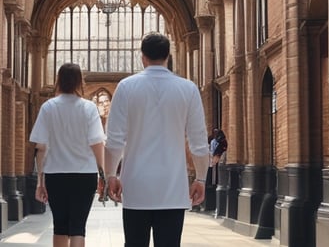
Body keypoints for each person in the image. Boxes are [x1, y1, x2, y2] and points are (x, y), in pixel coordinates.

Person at [104, 32, 209, 247]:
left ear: (142, 57)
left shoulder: (125, 87)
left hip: (135, 186)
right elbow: (198, 141)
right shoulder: (188, 88)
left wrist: (110, 174)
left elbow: (114, 139)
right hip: (172, 187)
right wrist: (201, 178)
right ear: (168, 56)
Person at [29, 63, 105, 247]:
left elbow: (40, 147)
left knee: (60, 227)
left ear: (58, 81)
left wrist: (40, 180)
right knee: (78, 227)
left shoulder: (48, 107)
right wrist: (103, 174)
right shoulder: (88, 108)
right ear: (80, 82)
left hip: (56, 175)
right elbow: (97, 144)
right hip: (84, 176)